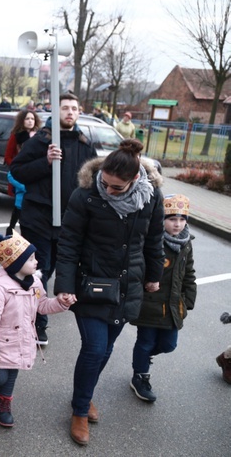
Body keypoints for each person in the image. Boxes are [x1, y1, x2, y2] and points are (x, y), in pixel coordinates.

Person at [54, 139, 164, 446]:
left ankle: (83, 394)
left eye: (117, 187)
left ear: (134, 181)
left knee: (105, 349)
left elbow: (154, 240)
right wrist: (63, 286)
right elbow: (69, 243)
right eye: (105, 183)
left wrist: (154, 276)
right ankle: (79, 410)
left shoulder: (151, 196)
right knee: (94, 347)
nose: (109, 190)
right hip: (91, 285)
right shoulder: (86, 195)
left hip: (128, 286)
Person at [10, 93, 97, 346]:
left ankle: (39, 309)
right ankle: (37, 323)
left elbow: (92, 182)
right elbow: (17, 171)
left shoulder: (84, 144)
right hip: (39, 217)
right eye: (65, 108)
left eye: (74, 108)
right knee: (40, 270)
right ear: (56, 112)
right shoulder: (42, 140)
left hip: (70, 221)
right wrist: (45, 161)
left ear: (79, 113)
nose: (70, 112)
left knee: (60, 269)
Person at [0, 232, 73, 427]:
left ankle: (2, 404)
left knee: (11, 376)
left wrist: (61, 303)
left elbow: (42, 305)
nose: (36, 262)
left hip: (21, 340)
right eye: (30, 258)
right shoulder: (0, 288)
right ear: (16, 264)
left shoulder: (35, 283)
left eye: (34, 257)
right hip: (2, 342)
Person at [129, 194, 196, 402]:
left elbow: (189, 272)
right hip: (149, 305)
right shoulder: (152, 241)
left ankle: (144, 356)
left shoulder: (186, 243)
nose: (177, 224)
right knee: (146, 341)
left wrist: (189, 299)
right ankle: (140, 376)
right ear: (162, 219)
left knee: (169, 345)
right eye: (172, 219)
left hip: (173, 306)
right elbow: (138, 267)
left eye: (182, 219)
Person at [4, 110, 42, 235]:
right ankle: (11, 233)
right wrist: (17, 168)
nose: (30, 121)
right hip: (20, 174)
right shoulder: (16, 135)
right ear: (22, 121)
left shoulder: (40, 136)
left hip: (35, 174)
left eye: (32, 118)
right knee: (19, 207)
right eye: (27, 119)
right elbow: (8, 157)